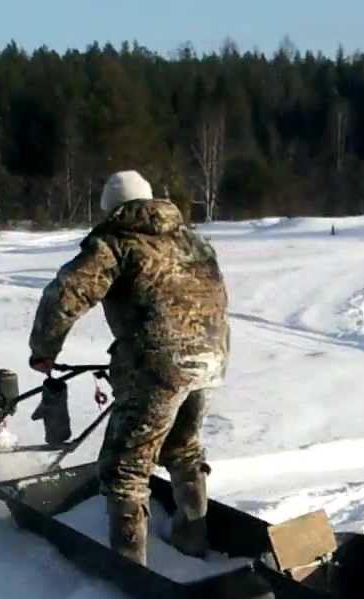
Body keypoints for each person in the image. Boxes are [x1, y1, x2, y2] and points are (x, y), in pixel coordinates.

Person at [28, 170, 230, 565]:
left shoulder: (116, 242)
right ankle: (193, 536)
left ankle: (130, 566)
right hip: (211, 359)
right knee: (183, 448)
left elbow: (66, 293)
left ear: (111, 208)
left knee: (125, 468)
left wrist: (44, 348)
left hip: (158, 367)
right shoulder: (194, 241)